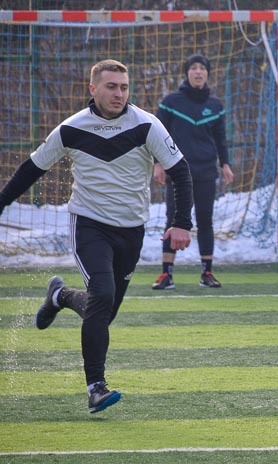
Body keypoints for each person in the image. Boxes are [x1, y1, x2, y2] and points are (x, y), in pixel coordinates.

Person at [0, 59, 193, 413]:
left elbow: (181, 172)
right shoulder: (72, 129)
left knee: (104, 311)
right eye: (111, 86)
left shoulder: (147, 125)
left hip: (131, 230)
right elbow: (32, 169)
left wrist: (182, 222)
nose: (119, 93)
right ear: (93, 89)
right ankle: (96, 388)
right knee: (102, 295)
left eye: (123, 86)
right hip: (88, 224)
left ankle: (59, 295)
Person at [151, 54, 234, 290]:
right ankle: (166, 274)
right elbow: (158, 135)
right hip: (178, 173)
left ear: (208, 73)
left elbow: (221, 139)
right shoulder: (171, 102)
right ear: (187, 73)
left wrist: (225, 164)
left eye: (202, 69)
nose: (198, 72)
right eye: (193, 68)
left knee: (205, 220)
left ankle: (207, 272)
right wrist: (158, 163)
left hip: (206, 170)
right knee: (172, 219)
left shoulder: (215, 106)